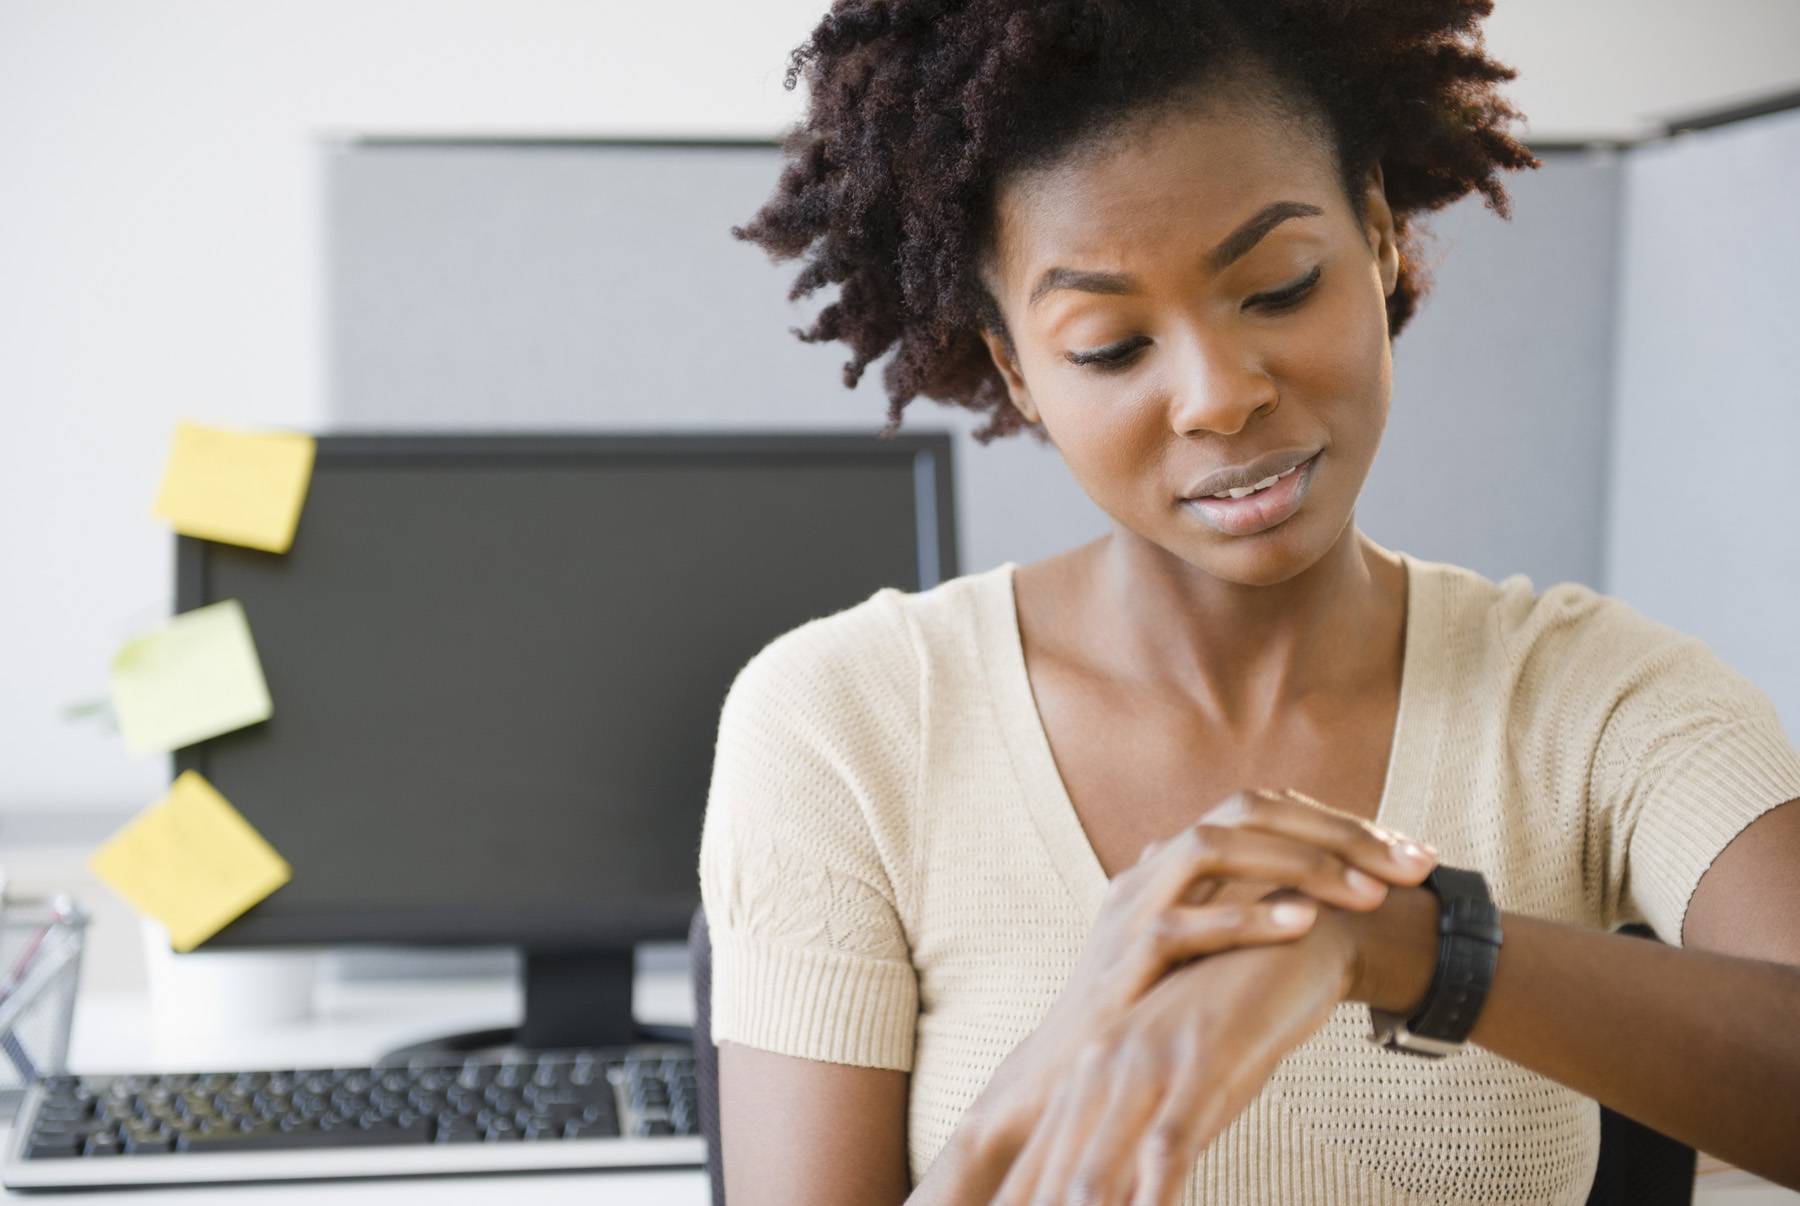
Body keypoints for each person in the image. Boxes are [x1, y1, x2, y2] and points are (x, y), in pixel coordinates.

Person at [697, 1, 1800, 1202]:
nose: (1219, 398)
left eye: (1278, 286)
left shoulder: (1594, 698)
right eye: (1112, 345)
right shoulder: (840, 722)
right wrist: (1070, 1053)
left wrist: (1409, 945)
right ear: (1015, 364)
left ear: (1377, 236)